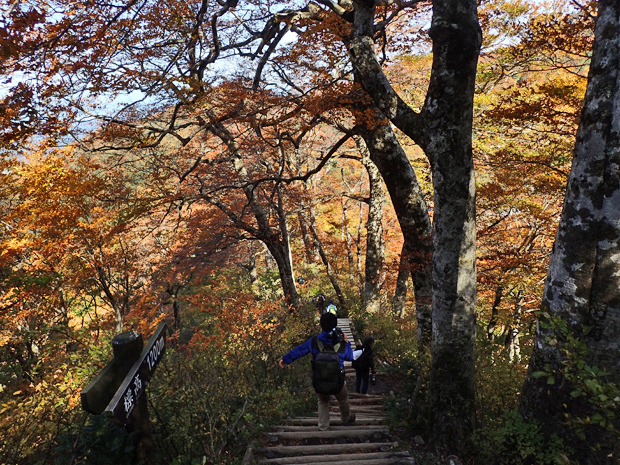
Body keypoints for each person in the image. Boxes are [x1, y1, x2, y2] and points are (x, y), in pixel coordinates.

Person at [279, 312, 356, 430]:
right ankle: (346, 419)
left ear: (321, 325)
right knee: (343, 399)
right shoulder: (341, 342)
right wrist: (347, 342)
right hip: (338, 380)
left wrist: (285, 359)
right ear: (335, 324)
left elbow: (300, 350)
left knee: (323, 401)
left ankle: (323, 426)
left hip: (320, 379)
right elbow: (350, 357)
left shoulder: (314, 341)